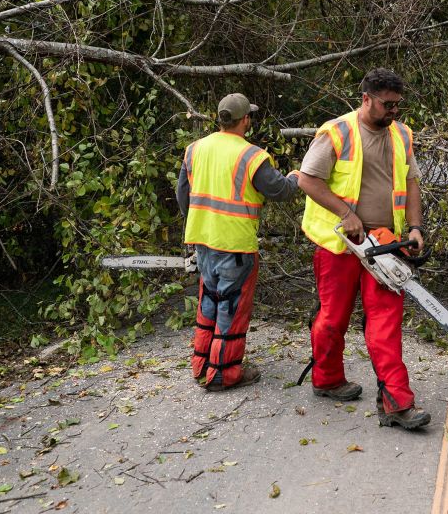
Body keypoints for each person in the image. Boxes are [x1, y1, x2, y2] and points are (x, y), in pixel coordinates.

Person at [296, 68, 430, 430]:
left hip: (385, 244)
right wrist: (346, 213)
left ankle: (396, 403)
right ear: (366, 98)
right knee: (332, 318)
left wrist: (415, 227)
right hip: (340, 243)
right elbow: (307, 179)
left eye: (398, 105)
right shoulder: (337, 132)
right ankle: (327, 379)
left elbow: (411, 182)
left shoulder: (402, 134)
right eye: (387, 105)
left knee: (385, 321)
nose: (393, 112)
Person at [177, 93, 301, 391]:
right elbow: (279, 190)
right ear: (245, 119)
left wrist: (199, 224)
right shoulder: (251, 156)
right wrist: (297, 178)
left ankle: (201, 364)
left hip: (203, 241)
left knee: (209, 303)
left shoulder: (194, 149)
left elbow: (184, 197)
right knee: (231, 310)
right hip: (235, 244)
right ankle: (223, 374)